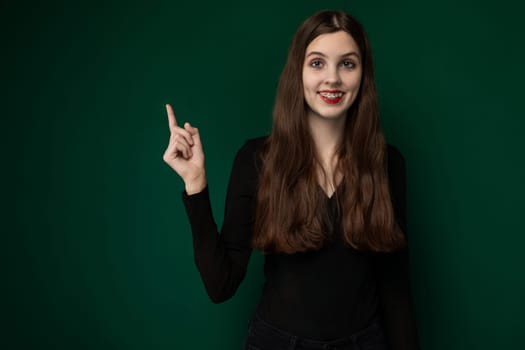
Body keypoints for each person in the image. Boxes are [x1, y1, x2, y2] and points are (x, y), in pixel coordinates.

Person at [163, 9, 420, 350]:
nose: (333, 78)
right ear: (297, 72)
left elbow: (395, 287)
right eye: (317, 63)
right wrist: (195, 185)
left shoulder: (388, 164)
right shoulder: (257, 160)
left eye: (347, 63)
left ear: (363, 75)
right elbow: (220, 285)